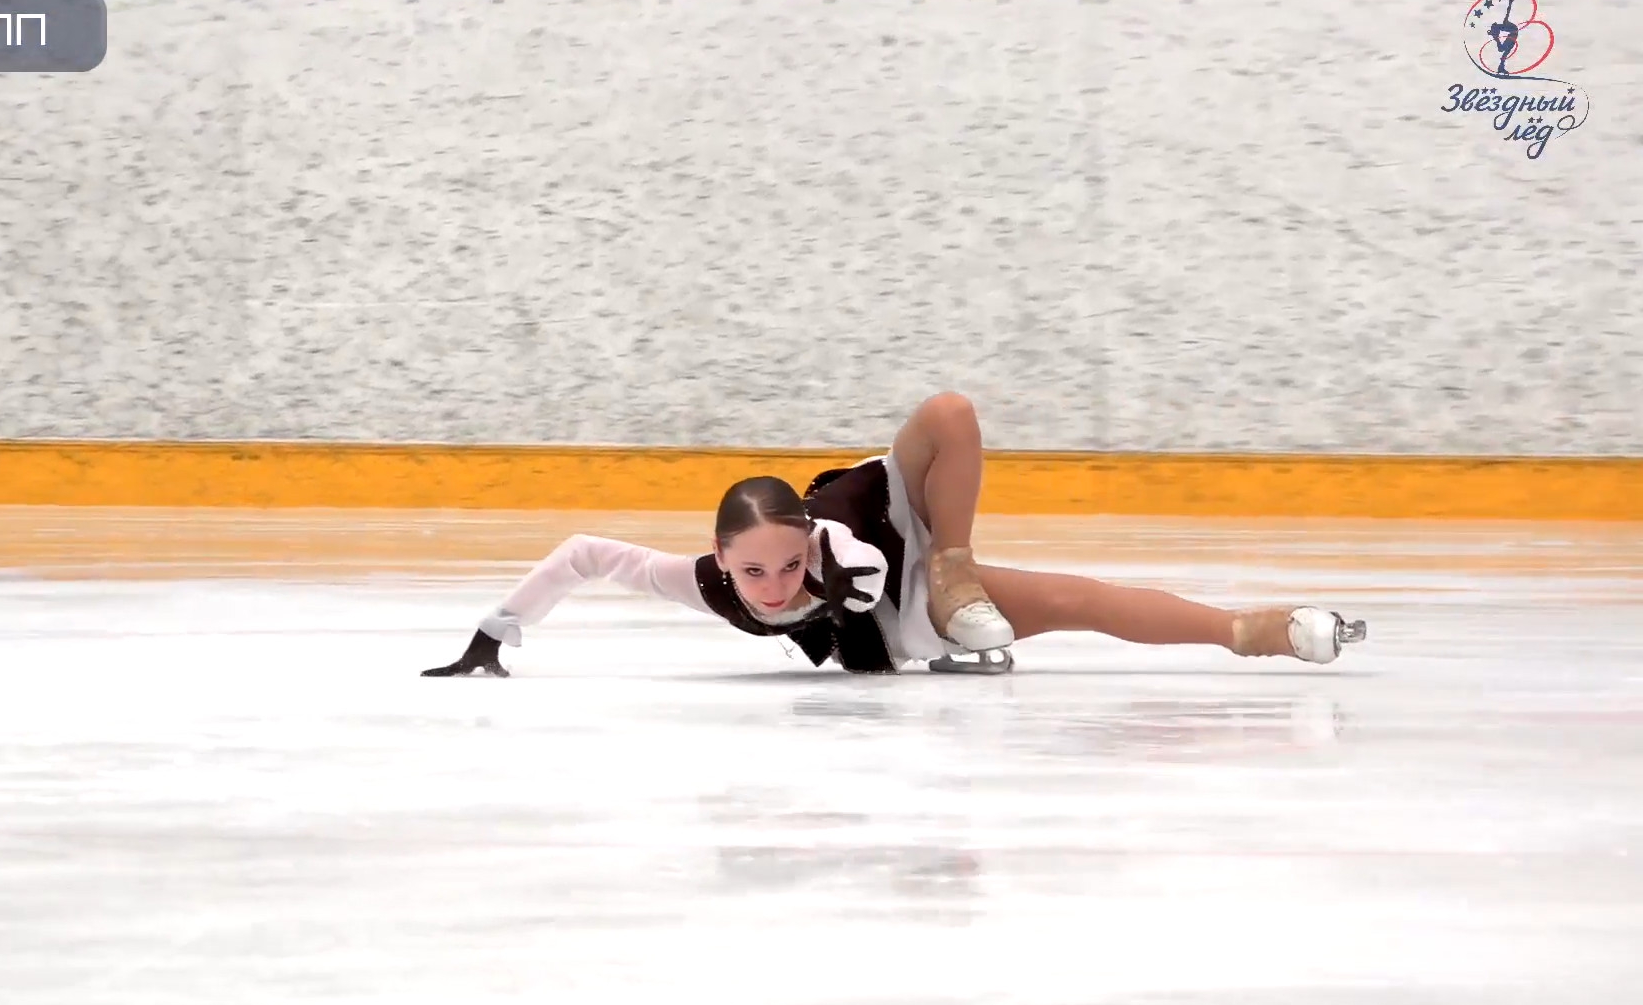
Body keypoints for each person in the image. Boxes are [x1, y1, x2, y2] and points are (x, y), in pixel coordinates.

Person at [422, 392, 1367, 678]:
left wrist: (862, 571)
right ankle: (1256, 631)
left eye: (788, 563)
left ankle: (958, 568)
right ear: (721, 563)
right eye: (752, 573)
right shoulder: (706, 581)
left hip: (910, 547)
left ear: (806, 537)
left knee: (950, 413)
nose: (772, 585)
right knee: (1075, 600)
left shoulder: (836, 553)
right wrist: (494, 633)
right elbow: (590, 555)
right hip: (907, 620)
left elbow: (861, 562)